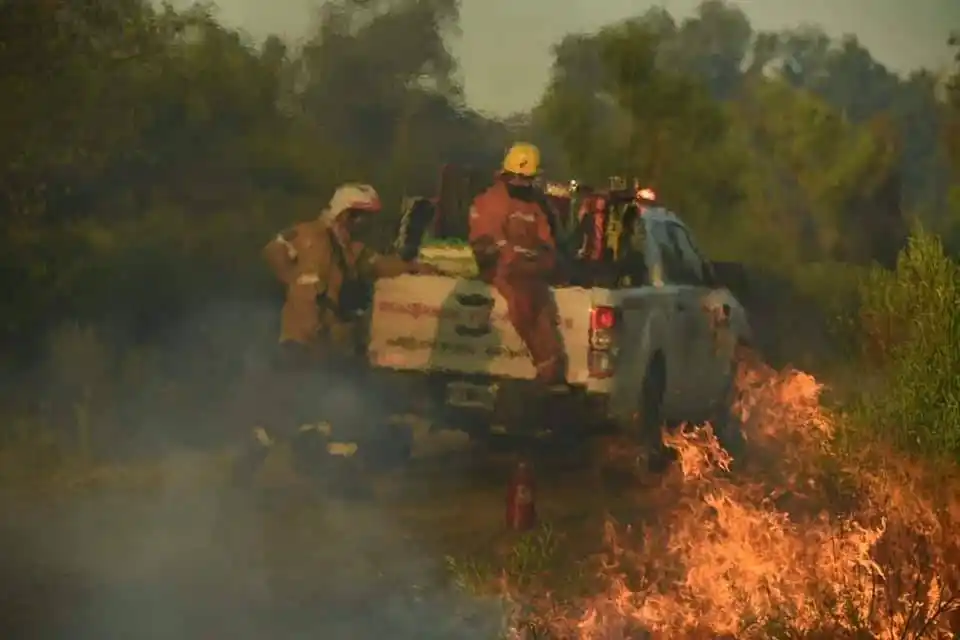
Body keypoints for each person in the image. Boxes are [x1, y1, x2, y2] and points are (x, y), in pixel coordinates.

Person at [232, 183, 435, 491]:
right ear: (346, 214)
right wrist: (293, 281)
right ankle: (269, 463)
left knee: (328, 405)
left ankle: (324, 470)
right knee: (309, 404)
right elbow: (275, 252)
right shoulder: (310, 236)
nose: (365, 224)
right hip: (304, 340)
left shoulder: (350, 249)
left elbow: (378, 264)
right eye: (361, 216)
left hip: (329, 344)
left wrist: (413, 267)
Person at [467, 143, 566, 389]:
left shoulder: (537, 206)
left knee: (541, 301)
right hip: (500, 270)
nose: (521, 183)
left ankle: (552, 365)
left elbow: (547, 243)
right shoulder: (490, 200)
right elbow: (486, 242)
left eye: (527, 179)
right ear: (506, 175)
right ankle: (545, 364)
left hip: (529, 273)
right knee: (522, 298)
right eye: (517, 178)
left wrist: (541, 259)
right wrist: (509, 255)